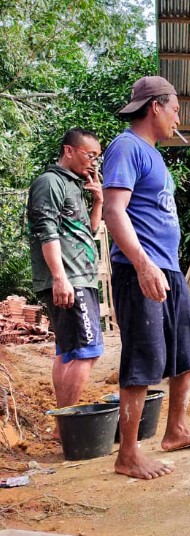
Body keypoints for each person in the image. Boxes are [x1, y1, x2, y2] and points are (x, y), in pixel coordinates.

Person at [102, 75, 190, 479]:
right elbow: (114, 212)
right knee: (143, 360)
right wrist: (143, 264)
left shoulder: (153, 155)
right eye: (176, 109)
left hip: (167, 269)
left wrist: (160, 265)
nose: (178, 118)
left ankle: (176, 430)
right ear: (155, 106)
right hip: (141, 271)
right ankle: (128, 455)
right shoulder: (126, 147)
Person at [28, 128, 105, 438]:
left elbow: (87, 230)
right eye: (90, 155)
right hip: (69, 279)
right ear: (69, 151)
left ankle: (63, 423)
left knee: (68, 352)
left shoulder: (75, 186)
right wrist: (60, 278)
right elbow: (46, 232)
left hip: (78, 277)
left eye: (97, 157)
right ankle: (69, 427)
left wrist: (97, 200)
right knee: (88, 351)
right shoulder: (50, 183)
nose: (94, 163)